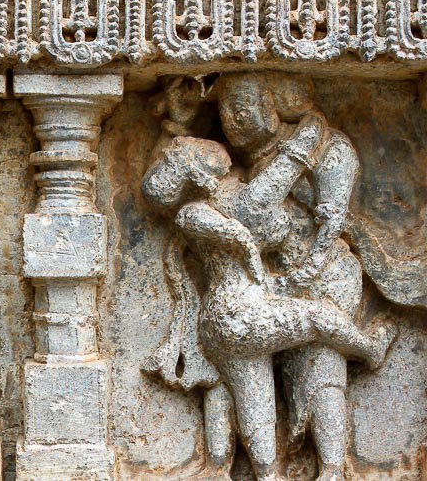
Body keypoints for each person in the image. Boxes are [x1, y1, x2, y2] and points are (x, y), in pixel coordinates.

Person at [141, 132, 396, 481]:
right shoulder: (197, 211)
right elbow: (245, 225)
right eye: (203, 154)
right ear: (199, 176)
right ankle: (370, 349)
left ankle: (268, 476)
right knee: (318, 317)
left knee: (255, 404)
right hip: (239, 314)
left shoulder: (199, 211)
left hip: (225, 324)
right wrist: (257, 263)